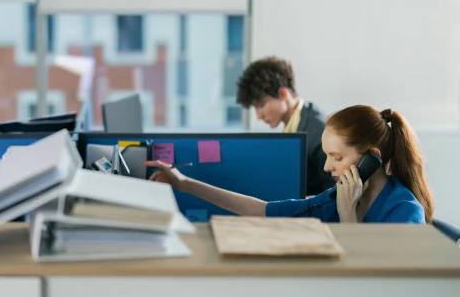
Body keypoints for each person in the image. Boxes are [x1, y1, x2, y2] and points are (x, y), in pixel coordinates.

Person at [147, 105, 432, 224]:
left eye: (338, 157)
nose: (326, 167)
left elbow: (372, 282)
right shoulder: (337, 197)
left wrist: (348, 216)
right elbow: (260, 210)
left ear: (372, 158)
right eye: (327, 155)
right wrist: (184, 184)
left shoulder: (405, 212)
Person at [236, 56, 335, 196]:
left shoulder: (320, 130)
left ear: (283, 93)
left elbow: (333, 195)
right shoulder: (293, 127)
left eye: (261, 105)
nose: (258, 115)